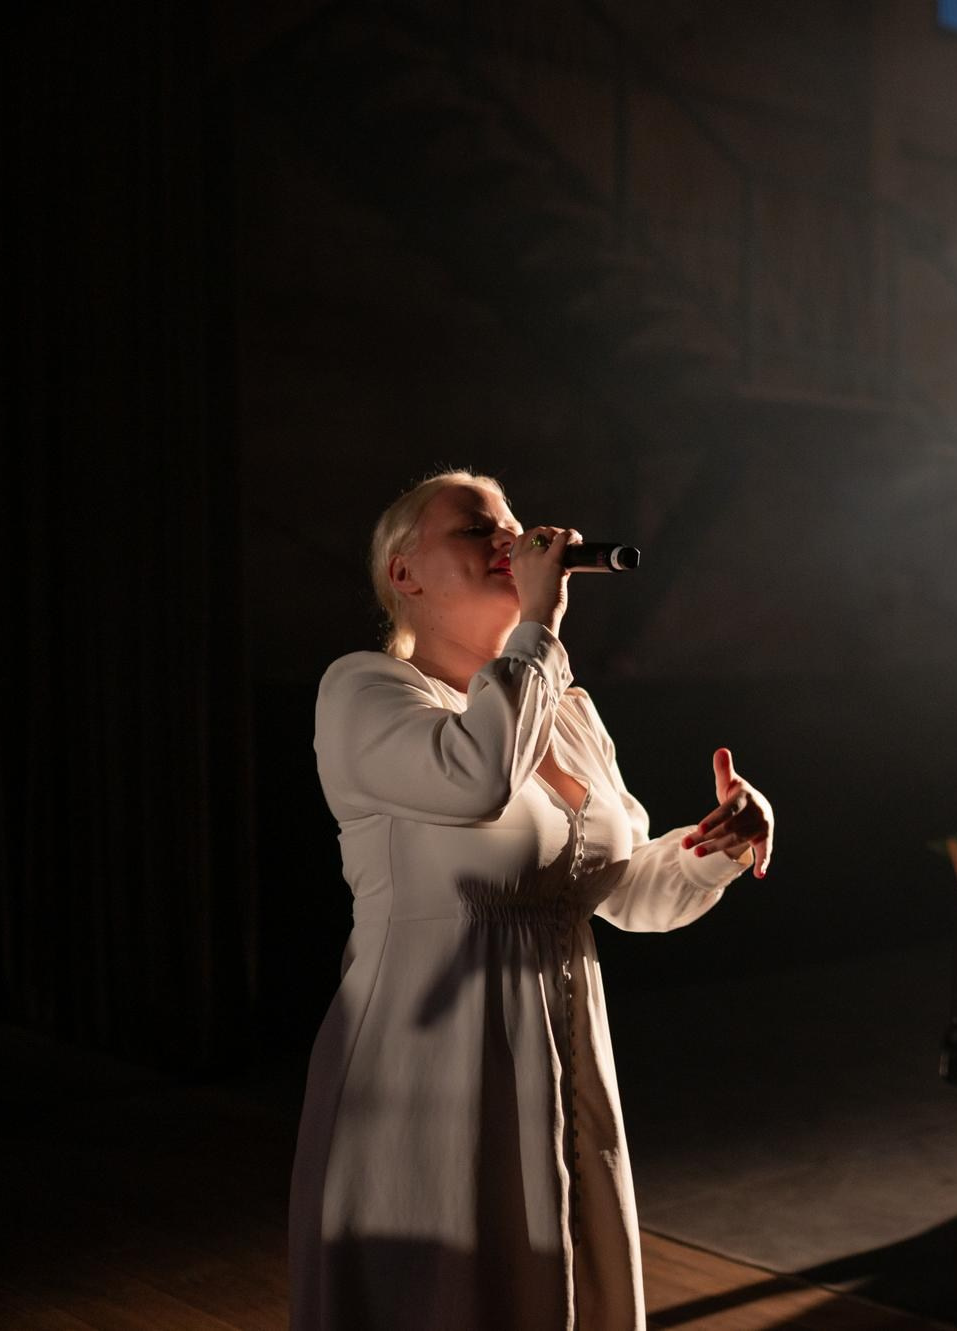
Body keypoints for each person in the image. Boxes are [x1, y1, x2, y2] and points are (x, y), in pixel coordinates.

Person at [290, 471, 775, 1331]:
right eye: (480, 530)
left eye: (514, 526)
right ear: (405, 575)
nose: (511, 542)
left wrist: (715, 848)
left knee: (556, 1285)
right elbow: (475, 776)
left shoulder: (567, 712)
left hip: (557, 1051)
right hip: (427, 1063)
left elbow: (619, 893)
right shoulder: (365, 693)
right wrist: (537, 631)